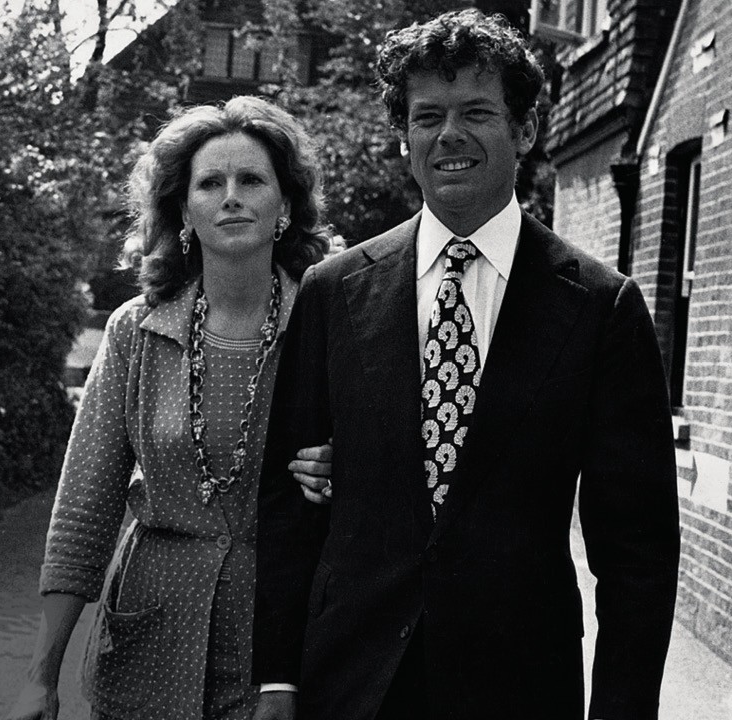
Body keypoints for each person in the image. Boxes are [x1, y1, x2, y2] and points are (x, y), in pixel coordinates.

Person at [251, 10, 681, 720]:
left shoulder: (601, 307)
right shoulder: (333, 291)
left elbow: (638, 550)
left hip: (518, 686)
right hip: (350, 683)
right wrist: (277, 678)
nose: (449, 134)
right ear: (405, 137)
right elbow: (288, 498)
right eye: (428, 117)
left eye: (477, 112)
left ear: (525, 128)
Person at [7, 97, 335, 720]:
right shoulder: (136, 331)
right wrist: (40, 677)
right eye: (210, 183)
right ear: (183, 210)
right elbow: (84, 507)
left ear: (287, 206)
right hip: (145, 650)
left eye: (251, 180)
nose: (231, 197)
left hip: (282, 660)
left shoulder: (331, 326)